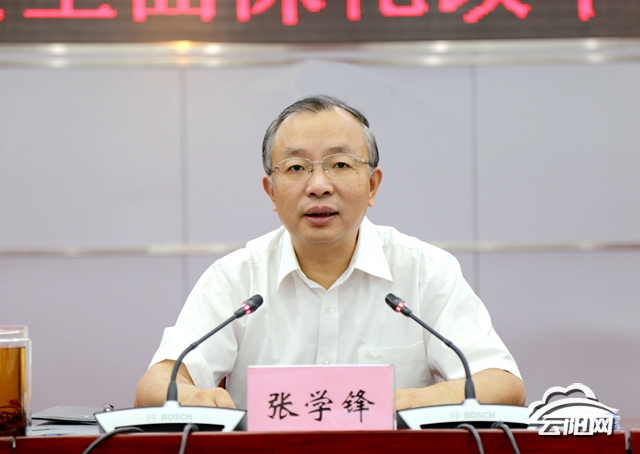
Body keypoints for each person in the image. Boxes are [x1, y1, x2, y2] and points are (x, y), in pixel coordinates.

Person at [134, 95, 525, 411]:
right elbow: (157, 383)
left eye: (340, 164)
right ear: (271, 192)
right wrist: (196, 399)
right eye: (295, 167)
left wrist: (415, 401)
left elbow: (501, 382)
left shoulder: (425, 271)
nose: (319, 185)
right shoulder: (236, 279)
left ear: (372, 185)